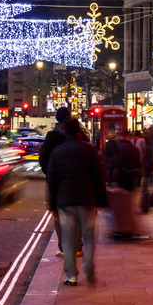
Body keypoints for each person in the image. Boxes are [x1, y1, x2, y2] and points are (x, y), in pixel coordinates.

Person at [45, 119, 107, 286]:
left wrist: (52, 205)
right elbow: (99, 177)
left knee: (68, 239)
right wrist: (102, 200)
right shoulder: (90, 150)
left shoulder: (58, 152)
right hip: (88, 200)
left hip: (66, 202)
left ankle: (72, 276)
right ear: (79, 132)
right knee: (89, 237)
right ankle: (88, 268)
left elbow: (51, 180)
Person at [39, 107, 75, 257]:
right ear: (68, 118)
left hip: (57, 182)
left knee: (59, 215)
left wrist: (50, 175)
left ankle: (63, 247)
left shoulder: (51, 137)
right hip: (74, 180)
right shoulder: (76, 134)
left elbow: (43, 159)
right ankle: (76, 245)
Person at [104, 129, 143, 240]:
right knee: (129, 206)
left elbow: (114, 163)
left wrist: (111, 179)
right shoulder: (134, 149)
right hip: (131, 181)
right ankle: (128, 228)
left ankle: (121, 228)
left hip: (121, 180)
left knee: (119, 207)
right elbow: (139, 164)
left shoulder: (119, 148)